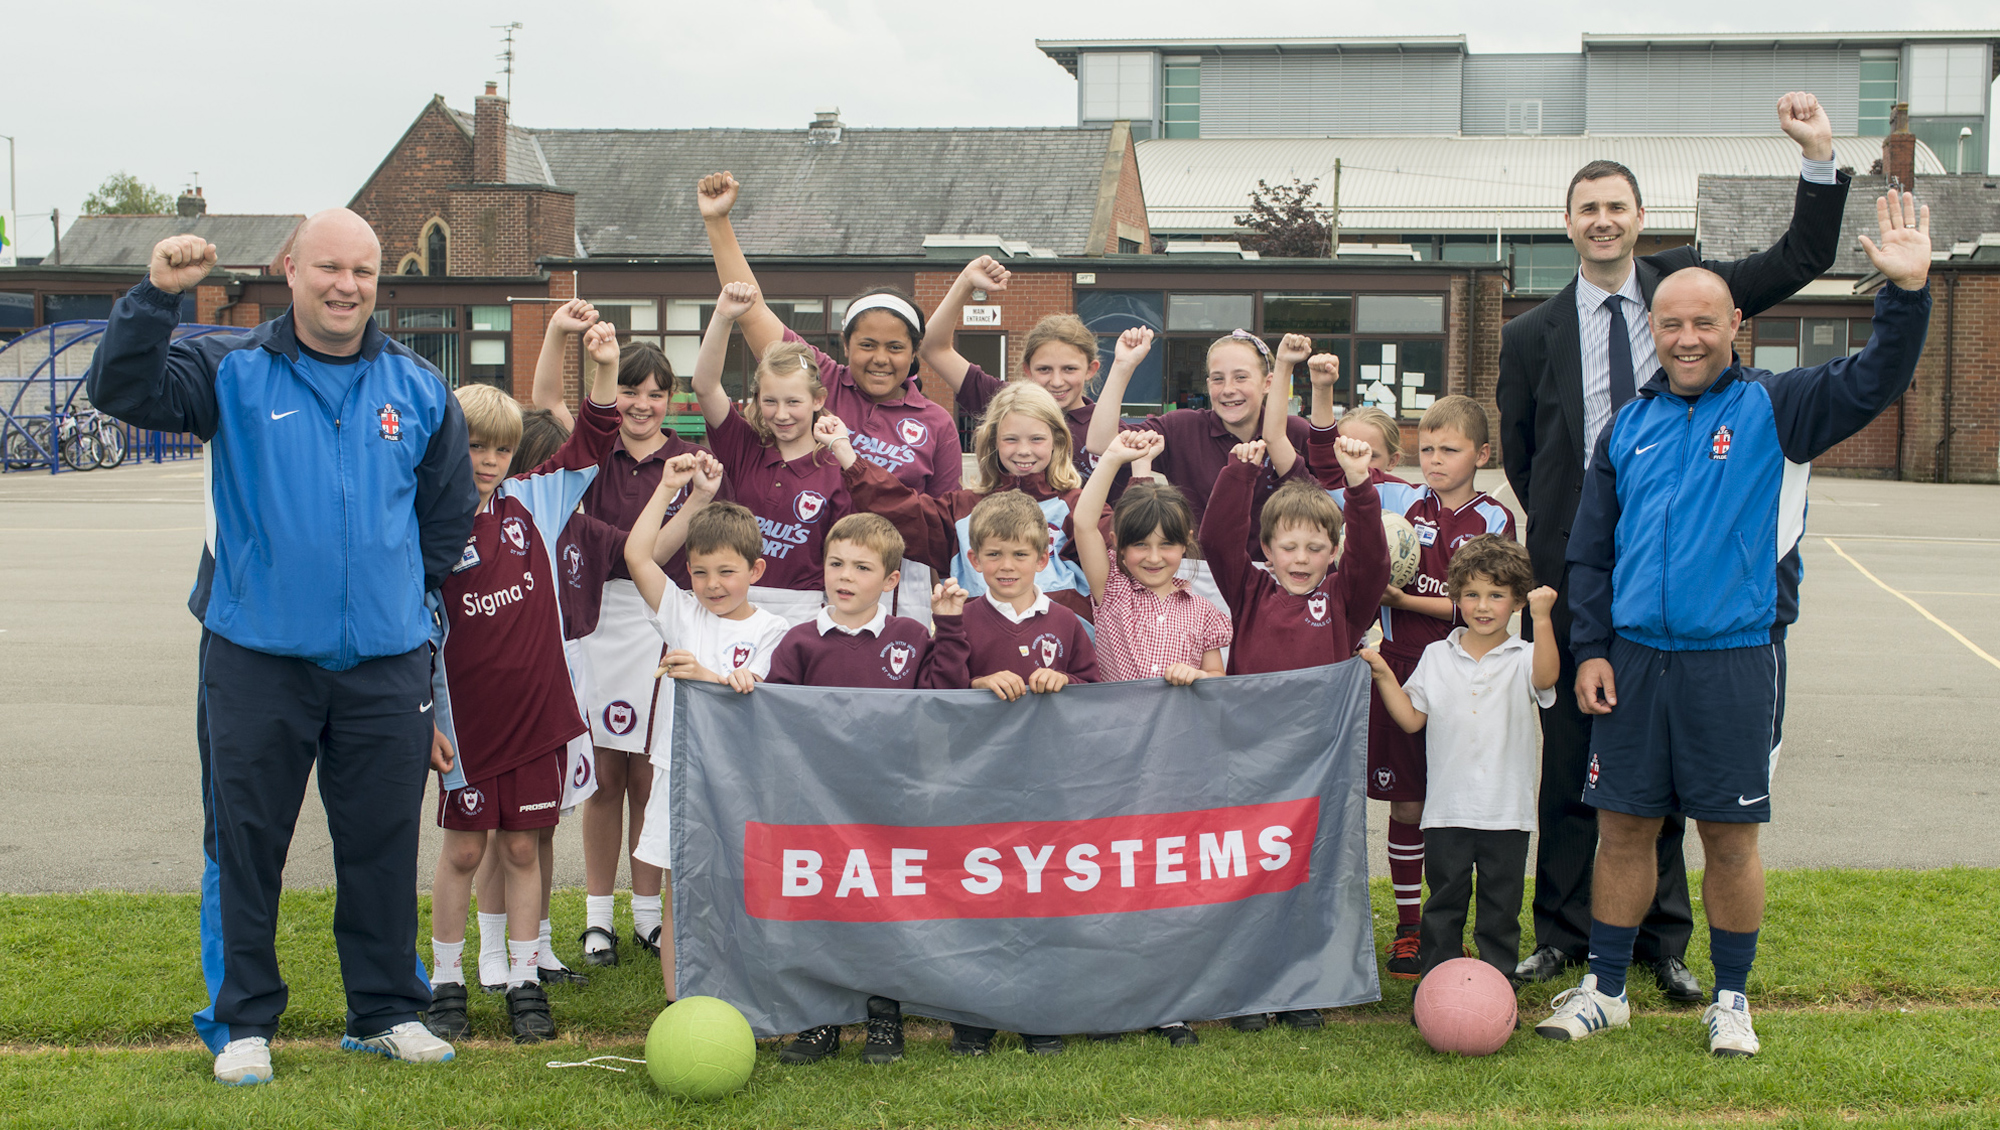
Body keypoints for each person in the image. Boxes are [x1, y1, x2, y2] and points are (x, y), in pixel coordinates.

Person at [1535, 192, 1930, 1057]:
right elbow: (1590, 555)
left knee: (1730, 835)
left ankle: (1732, 998)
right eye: (1670, 323)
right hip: (1633, 663)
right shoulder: (1627, 428)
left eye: (1703, 323)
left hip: (1736, 660)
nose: (1685, 338)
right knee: (1624, 827)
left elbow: (1875, 380)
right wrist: (1593, 648)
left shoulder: (1780, 409)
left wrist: (1903, 295)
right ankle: (1605, 988)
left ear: (1734, 325)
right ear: (1654, 330)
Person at [86, 214, 477, 1084]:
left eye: (365, 271)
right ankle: (244, 1023)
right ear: (290, 270)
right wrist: (155, 298)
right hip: (257, 656)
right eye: (330, 267)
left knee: (379, 843)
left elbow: (447, 517)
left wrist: (394, 597)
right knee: (248, 841)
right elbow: (121, 390)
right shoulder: (229, 369)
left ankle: (383, 1011)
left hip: (384, 663)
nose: (347, 285)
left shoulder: (415, 386)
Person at [1494, 91, 1850, 1001]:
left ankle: (1663, 942)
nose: (1604, 220)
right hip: (1585, 573)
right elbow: (1529, 452)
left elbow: (1804, 256)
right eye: (1588, 208)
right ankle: (1564, 934)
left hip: (1690, 579)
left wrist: (1816, 160)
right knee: (1579, 759)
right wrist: (1565, 565)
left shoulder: (1692, 297)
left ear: (1641, 220)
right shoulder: (1529, 335)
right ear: (1568, 225)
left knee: (1671, 775)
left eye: (1618, 206)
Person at [1272, 380, 1517, 978]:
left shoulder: (1494, 517)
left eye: (1450, 451)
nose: (1435, 462)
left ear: (1480, 456)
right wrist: (1321, 397)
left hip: (1466, 673)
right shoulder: (1399, 501)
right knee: (1407, 806)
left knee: (1458, 809)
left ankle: (1463, 927)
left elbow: (1480, 608)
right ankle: (1413, 929)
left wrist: (1402, 598)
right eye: (1427, 450)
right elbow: (1326, 478)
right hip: (1397, 669)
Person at [422, 380, 622, 1044]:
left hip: (539, 722)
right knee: (462, 853)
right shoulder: (424, 521)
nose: (487, 460)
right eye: (473, 445)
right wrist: (421, 715)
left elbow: (594, 438)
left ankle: (525, 980)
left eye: (501, 448)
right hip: (467, 732)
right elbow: (407, 627)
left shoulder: (534, 500)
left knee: (521, 848)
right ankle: (447, 984)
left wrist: (601, 366)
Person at [531, 301, 712, 972]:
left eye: (654, 392)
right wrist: (560, 333)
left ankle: (647, 917)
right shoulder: (590, 443)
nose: (640, 402)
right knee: (601, 776)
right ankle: (598, 921)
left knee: (649, 772)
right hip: (591, 616)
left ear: (672, 399)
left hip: (656, 617)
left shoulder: (689, 462)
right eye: (630, 389)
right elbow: (545, 396)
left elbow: (686, 544)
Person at [698, 171, 961, 625]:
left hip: (898, 591)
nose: (880, 359)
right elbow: (751, 308)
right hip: (814, 587)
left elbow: (943, 526)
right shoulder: (822, 379)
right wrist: (718, 223)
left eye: (896, 347)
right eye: (867, 345)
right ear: (845, 344)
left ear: (913, 351)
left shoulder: (936, 422)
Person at [763, 513, 972, 1066]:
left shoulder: (909, 636)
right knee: (823, 905)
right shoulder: (800, 641)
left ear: (891, 580)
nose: (845, 576)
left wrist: (948, 626)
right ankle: (821, 1020)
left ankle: (885, 1015)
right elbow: (776, 714)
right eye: (836, 564)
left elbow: (942, 696)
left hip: (891, 799)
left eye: (861, 567)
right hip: (819, 803)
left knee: (883, 905)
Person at [1196, 431, 1385, 1031]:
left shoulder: (1345, 600)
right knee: (1252, 875)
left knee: (1311, 876)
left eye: (1314, 547)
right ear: (1268, 550)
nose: (1301, 558)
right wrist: (1239, 475)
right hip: (1252, 764)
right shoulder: (1248, 592)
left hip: (1318, 768)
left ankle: (1302, 986)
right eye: (1289, 546)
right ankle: (1250, 987)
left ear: (1332, 551)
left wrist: (1359, 489)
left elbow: (1374, 562)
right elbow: (1215, 540)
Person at [624, 453, 792, 999]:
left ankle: (744, 994)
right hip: (680, 774)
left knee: (739, 891)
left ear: (755, 571)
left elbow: (760, 701)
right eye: (700, 572)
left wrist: (712, 677)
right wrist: (669, 488)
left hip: (740, 779)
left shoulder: (775, 630)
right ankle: (678, 1002)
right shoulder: (681, 614)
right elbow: (636, 554)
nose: (712, 585)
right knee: (684, 894)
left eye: (727, 571)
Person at [1363, 538, 1557, 984]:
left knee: (1499, 909)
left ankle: (1496, 988)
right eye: (1471, 594)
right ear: (1455, 596)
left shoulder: (1524, 655)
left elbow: (1546, 679)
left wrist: (1541, 620)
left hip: (1506, 813)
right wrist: (1384, 675)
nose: (1483, 606)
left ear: (1517, 601)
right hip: (1447, 810)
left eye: (1496, 595)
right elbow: (1412, 720)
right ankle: (1437, 985)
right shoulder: (1436, 655)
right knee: (1443, 903)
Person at [830, 382, 1105, 625]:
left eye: (1036, 439)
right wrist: (848, 457)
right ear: (993, 440)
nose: (1023, 450)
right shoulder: (960, 509)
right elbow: (902, 509)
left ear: (1057, 441)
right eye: (1011, 439)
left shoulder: (1079, 507)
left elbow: (1131, 542)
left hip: (1060, 656)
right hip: (981, 655)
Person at [1089, 327, 1313, 612]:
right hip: (1199, 584)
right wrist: (1123, 366)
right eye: (1218, 379)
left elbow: (1324, 508)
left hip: (1277, 585)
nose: (1228, 389)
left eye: (1241, 377)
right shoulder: (1182, 427)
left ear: (1268, 382)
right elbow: (1099, 442)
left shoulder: (1294, 433)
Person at [692, 282, 852, 626]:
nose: (781, 414)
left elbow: (843, 555)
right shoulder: (742, 445)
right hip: (733, 605)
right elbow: (705, 386)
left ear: (819, 400)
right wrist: (722, 317)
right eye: (770, 401)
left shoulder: (837, 468)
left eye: (794, 402)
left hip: (804, 612)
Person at [920, 256, 1125, 493]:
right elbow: (933, 347)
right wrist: (966, 281)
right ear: (1027, 370)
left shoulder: (1106, 427)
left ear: (1091, 370)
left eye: (1069, 369)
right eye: (1044, 369)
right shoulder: (1004, 402)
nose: (1056, 381)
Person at [1073, 430, 1230, 687]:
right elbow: (1084, 524)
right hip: (1118, 725)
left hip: (1178, 726)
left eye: (1166, 544)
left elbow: (1216, 676)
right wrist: (1112, 458)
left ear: (1185, 542)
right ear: (1118, 544)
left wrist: (1198, 676)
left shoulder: (1204, 611)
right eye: (1140, 545)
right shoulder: (1112, 587)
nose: (1154, 557)